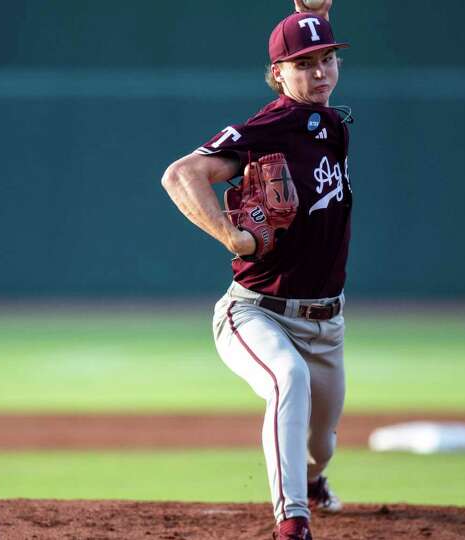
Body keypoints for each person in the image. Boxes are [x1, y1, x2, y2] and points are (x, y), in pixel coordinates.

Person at [161, 1, 350, 538]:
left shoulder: (330, 124)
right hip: (256, 312)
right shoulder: (271, 127)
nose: (320, 73)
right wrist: (231, 233)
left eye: (328, 59)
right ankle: (293, 520)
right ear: (278, 74)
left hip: (328, 322)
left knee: (322, 445)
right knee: (285, 379)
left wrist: (319, 12)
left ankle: (312, 482)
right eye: (304, 63)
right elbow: (181, 175)